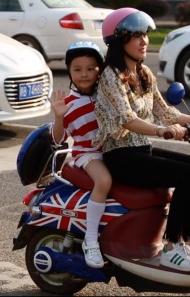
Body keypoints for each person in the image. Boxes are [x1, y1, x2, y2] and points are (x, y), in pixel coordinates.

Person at [93, 7, 190, 272]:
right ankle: (172, 248)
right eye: (136, 35)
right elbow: (126, 119)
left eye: (145, 34)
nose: (143, 41)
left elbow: (166, 112)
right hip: (121, 157)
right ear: (119, 39)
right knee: (186, 176)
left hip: (141, 150)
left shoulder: (144, 73)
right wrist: (161, 131)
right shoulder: (110, 76)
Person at [49, 41, 111, 269]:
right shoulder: (68, 104)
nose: (84, 74)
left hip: (113, 152)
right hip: (88, 154)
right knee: (104, 181)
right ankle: (91, 239)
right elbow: (57, 140)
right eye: (77, 69)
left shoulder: (108, 96)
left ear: (100, 70)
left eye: (90, 68)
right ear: (69, 72)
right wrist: (58, 117)